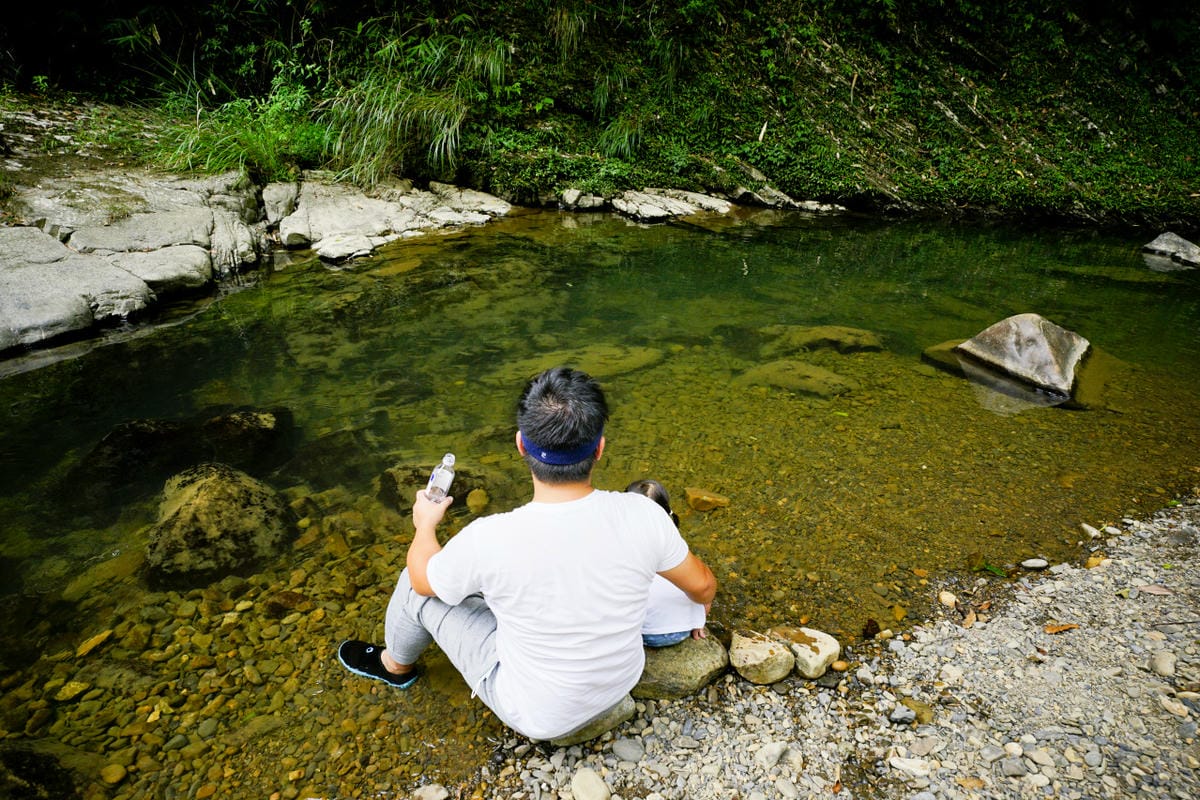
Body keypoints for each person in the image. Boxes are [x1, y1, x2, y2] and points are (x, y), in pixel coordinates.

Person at [337, 366, 718, 741]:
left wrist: (424, 525)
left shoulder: (490, 537)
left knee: (414, 581)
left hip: (540, 714)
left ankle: (394, 666)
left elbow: (422, 580)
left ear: (520, 445)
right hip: (620, 679)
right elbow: (703, 586)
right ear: (600, 448)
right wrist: (697, 608)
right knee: (484, 579)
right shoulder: (643, 514)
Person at [624, 479, 709, 648]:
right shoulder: (673, 541)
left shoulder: (623, 542)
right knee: (702, 576)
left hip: (640, 633)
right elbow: (702, 588)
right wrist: (698, 619)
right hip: (681, 631)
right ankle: (699, 623)